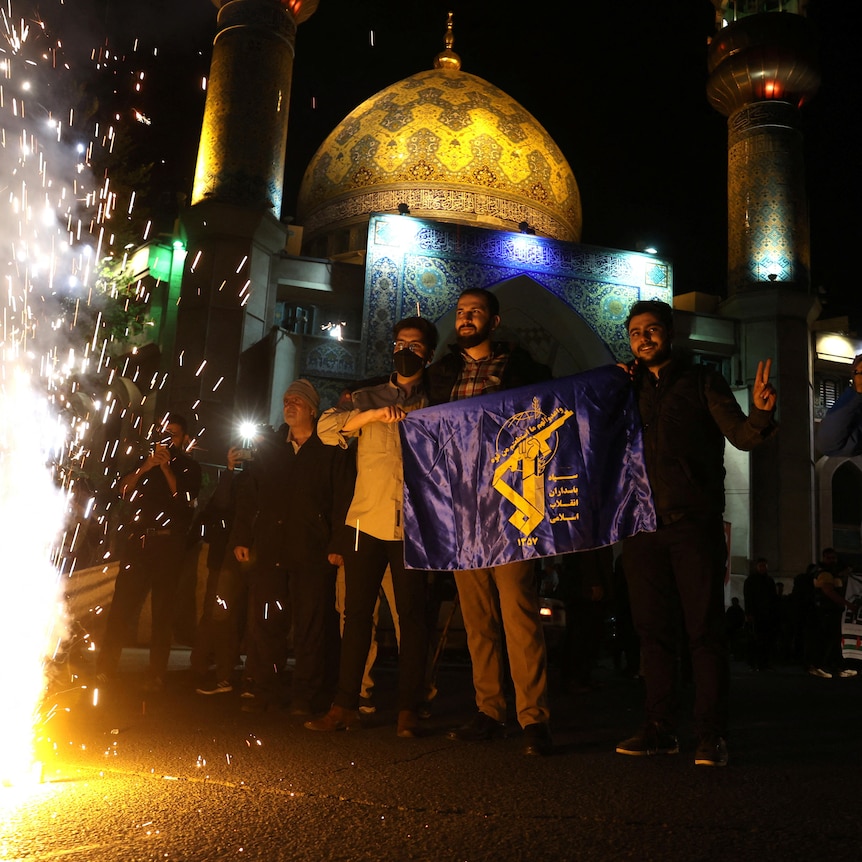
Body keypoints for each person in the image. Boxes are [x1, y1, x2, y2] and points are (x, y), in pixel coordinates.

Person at [614, 299, 777, 767]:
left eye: (652, 330)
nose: (644, 339)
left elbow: (742, 436)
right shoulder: (626, 387)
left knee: (704, 632)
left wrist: (761, 413)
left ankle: (711, 735)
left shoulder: (702, 380)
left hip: (693, 524)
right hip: (642, 526)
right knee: (652, 633)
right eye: (635, 332)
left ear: (669, 332)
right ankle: (660, 728)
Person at [426, 287, 554, 756]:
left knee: (518, 611)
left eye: (475, 312)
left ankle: (533, 718)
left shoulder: (522, 370)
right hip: (461, 508)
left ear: (494, 322)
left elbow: (557, 409)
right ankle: (489, 709)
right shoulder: (442, 374)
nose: (466, 318)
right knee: (477, 617)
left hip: (509, 506)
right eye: (460, 312)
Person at [305, 317, 437, 738]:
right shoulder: (366, 396)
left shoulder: (439, 402)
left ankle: (408, 709)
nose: (406, 351)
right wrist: (373, 415)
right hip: (366, 520)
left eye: (415, 346)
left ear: (428, 354)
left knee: (413, 619)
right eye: (400, 344)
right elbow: (326, 430)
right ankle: (345, 703)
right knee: (357, 616)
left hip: (414, 526)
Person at [230, 380, 355, 714]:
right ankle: (263, 689)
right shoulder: (272, 449)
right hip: (270, 548)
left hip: (312, 550)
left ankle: (306, 695)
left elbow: (343, 497)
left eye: (298, 401)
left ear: (313, 409)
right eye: (286, 400)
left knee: (310, 627)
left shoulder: (330, 449)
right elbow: (249, 494)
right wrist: (242, 536)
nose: (290, 405)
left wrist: (338, 542)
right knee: (266, 622)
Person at [97, 414, 202, 692]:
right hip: (138, 545)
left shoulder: (190, 467)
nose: (168, 439)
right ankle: (105, 669)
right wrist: (146, 467)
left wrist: (167, 469)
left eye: (174, 435)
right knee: (121, 608)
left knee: (162, 612)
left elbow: (187, 503)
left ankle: (156, 674)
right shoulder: (144, 462)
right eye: (164, 433)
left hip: (169, 546)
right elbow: (123, 490)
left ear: (184, 439)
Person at [191, 445, 250, 695]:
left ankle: (220, 674)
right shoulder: (236, 481)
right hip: (222, 558)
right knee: (215, 613)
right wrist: (228, 469)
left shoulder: (253, 482)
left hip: (232, 560)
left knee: (221, 615)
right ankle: (205, 668)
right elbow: (220, 503)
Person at [808, 548, 859, 679]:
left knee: (834, 640)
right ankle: (817, 666)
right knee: (826, 639)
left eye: (833, 558)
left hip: (830, 610)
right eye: (829, 558)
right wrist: (848, 604)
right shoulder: (824, 573)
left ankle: (836, 667)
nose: (832, 560)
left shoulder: (830, 572)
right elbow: (829, 592)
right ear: (824, 558)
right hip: (826, 611)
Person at [743, 557, 778, 671]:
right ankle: (755, 663)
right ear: (757, 567)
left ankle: (764, 662)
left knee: (766, 639)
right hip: (757, 614)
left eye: (764, 566)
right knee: (756, 639)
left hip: (767, 614)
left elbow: (773, 597)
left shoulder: (769, 581)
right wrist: (749, 613)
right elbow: (748, 598)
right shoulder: (751, 581)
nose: (763, 568)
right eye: (761, 566)